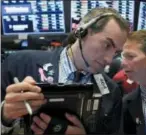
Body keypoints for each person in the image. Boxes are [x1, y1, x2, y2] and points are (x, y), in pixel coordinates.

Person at [1, 7, 129, 135]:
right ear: (81, 31)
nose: (109, 59)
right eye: (106, 45)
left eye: (116, 52)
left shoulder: (111, 92)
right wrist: (4, 114)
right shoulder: (19, 63)